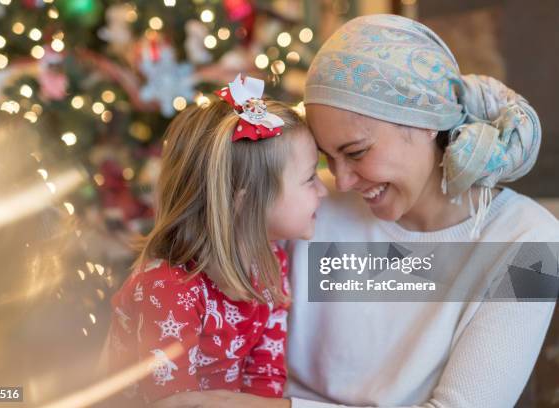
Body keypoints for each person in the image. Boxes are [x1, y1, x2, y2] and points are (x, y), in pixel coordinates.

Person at [148, 14, 558, 408]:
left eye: (357, 152)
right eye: (325, 159)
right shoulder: (305, 207)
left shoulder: (537, 246)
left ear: (428, 121)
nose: (341, 182)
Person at [105, 74, 328, 405]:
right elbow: (172, 403)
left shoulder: (271, 263)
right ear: (247, 202)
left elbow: (265, 377)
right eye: (310, 178)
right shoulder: (169, 287)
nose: (324, 190)